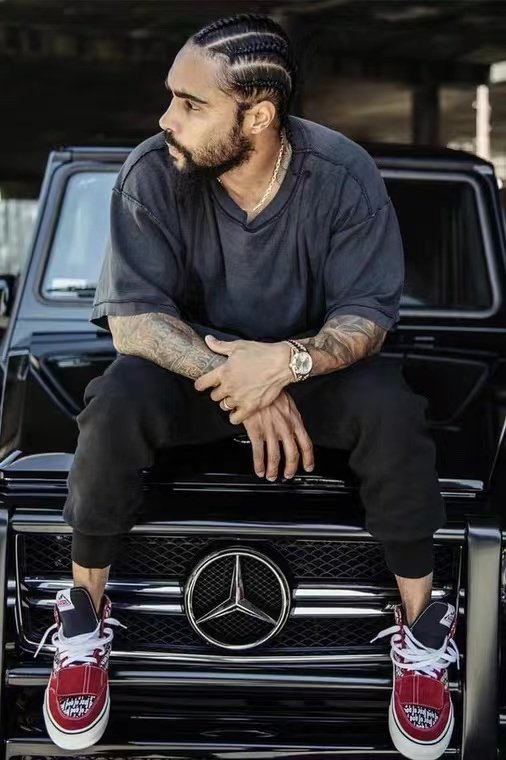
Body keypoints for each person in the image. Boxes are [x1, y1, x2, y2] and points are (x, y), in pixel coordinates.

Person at [36, 13, 458, 760]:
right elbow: (136, 324)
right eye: (171, 96)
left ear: (258, 116)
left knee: (393, 412)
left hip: (314, 376)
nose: (166, 118)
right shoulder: (151, 172)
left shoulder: (342, 174)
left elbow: (366, 316)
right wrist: (247, 382)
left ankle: (422, 634)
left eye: (190, 103)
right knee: (116, 398)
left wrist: (286, 365)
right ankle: (82, 621)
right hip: (192, 376)